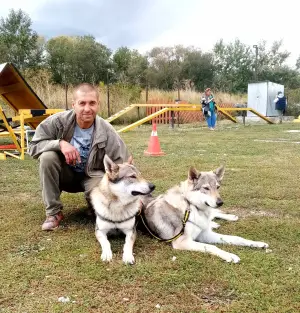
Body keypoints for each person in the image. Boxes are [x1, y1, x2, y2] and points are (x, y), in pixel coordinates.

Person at [28, 83, 130, 231]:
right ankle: (53, 213)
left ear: (98, 105)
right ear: (73, 105)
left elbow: (122, 165)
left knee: (109, 215)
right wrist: (60, 144)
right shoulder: (57, 122)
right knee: (47, 157)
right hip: (65, 175)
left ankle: (93, 206)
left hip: (93, 177)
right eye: (82, 103)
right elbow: (33, 147)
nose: (87, 109)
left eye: (92, 103)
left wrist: (133, 197)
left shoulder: (107, 131)